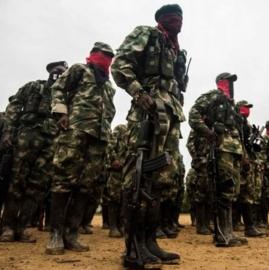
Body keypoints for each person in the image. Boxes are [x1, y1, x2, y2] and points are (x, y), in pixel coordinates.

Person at [111, 4, 186, 268]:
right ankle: (133, 249)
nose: (179, 23)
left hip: (170, 117)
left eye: (181, 19)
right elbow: (119, 65)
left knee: (161, 180)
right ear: (162, 20)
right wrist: (139, 94)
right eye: (173, 19)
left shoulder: (176, 50)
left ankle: (150, 242)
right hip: (147, 113)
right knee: (138, 177)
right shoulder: (146, 33)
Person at [45, 42, 116, 255]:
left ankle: (72, 234)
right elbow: (58, 89)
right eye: (102, 55)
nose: (106, 60)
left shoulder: (109, 85)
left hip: (99, 137)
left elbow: (110, 110)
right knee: (64, 180)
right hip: (75, 130)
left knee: (87, 185)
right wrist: (61, 113)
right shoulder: (79, 70)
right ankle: (55, 235)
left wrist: (107, 130)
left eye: (109, 57)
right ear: (93, 55)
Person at [0, 61, 68, 243]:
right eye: (56, 71)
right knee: (16, 180)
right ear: (49, 72)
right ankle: (8, 227)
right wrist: (8, 132)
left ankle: (21, 228)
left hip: (51, 141)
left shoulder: (66, 96)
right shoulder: (32, 87)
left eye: (62, 72)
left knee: (38, 186)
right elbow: (13, 107)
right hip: (26, 136)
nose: (58, 74)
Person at [188, 72, 248, 247]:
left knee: (232, 191)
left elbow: (238, 133)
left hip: (234, 151)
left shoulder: (232, 106)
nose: (231, 85)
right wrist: (208, 133)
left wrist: (243, 153)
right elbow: (193, 115)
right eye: (228, 81)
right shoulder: (212, 96)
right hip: (220, 150)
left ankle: (228, 232)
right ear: (221, 82)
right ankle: (222, 235)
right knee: (223, 189)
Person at [235, 100, 267, 237]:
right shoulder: (235, 121)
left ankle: (250, 226)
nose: (247, 110)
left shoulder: (246, 124)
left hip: (249, 159)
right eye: (245, 107)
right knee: (241, 192)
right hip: (239, 159)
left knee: (249, 192)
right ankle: (243, 226)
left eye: (248, 108)